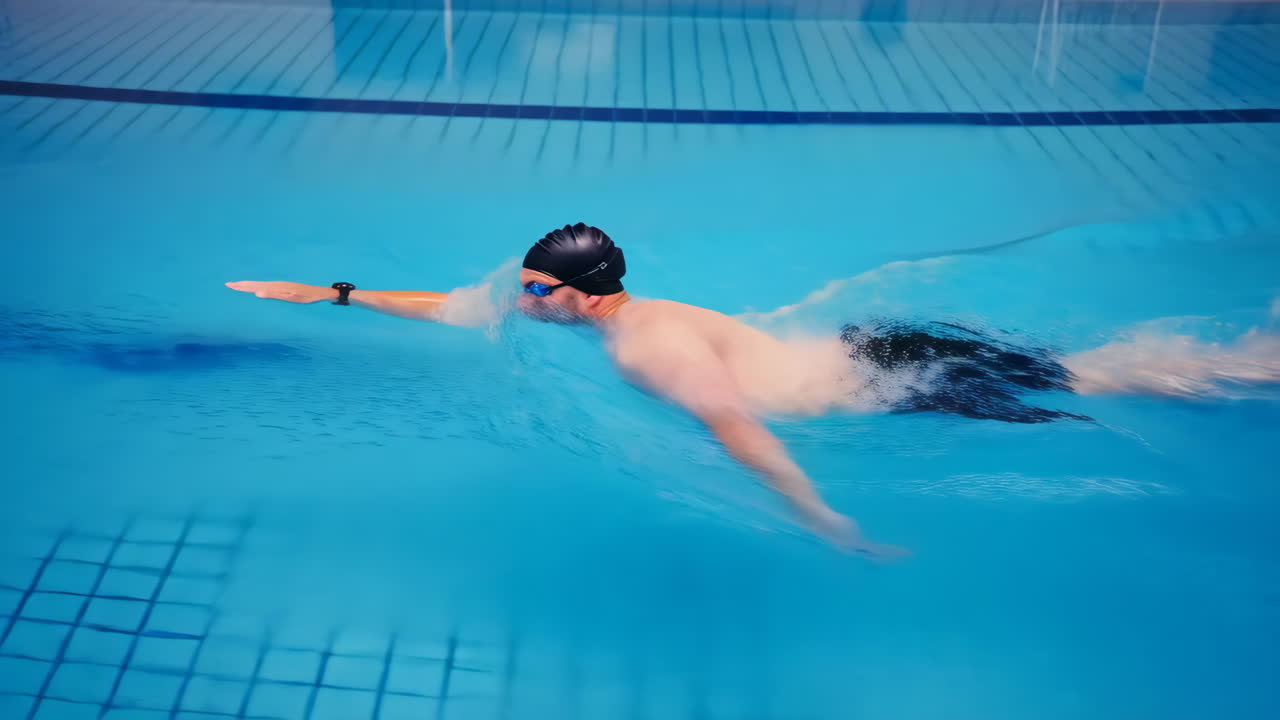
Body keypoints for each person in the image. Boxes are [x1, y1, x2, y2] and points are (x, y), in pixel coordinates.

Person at [227, 223, 1280, 557]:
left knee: (1118, 384)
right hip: (868, 342)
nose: (518, 292)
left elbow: (730, 428)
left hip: (887, 383)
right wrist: (335, 292)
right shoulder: (604, 308)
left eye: (534, 284)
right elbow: (462, 305)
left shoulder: (644, 353)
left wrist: (818, 514)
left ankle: (1244, 371)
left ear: (583, 296)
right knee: (1091, 366)